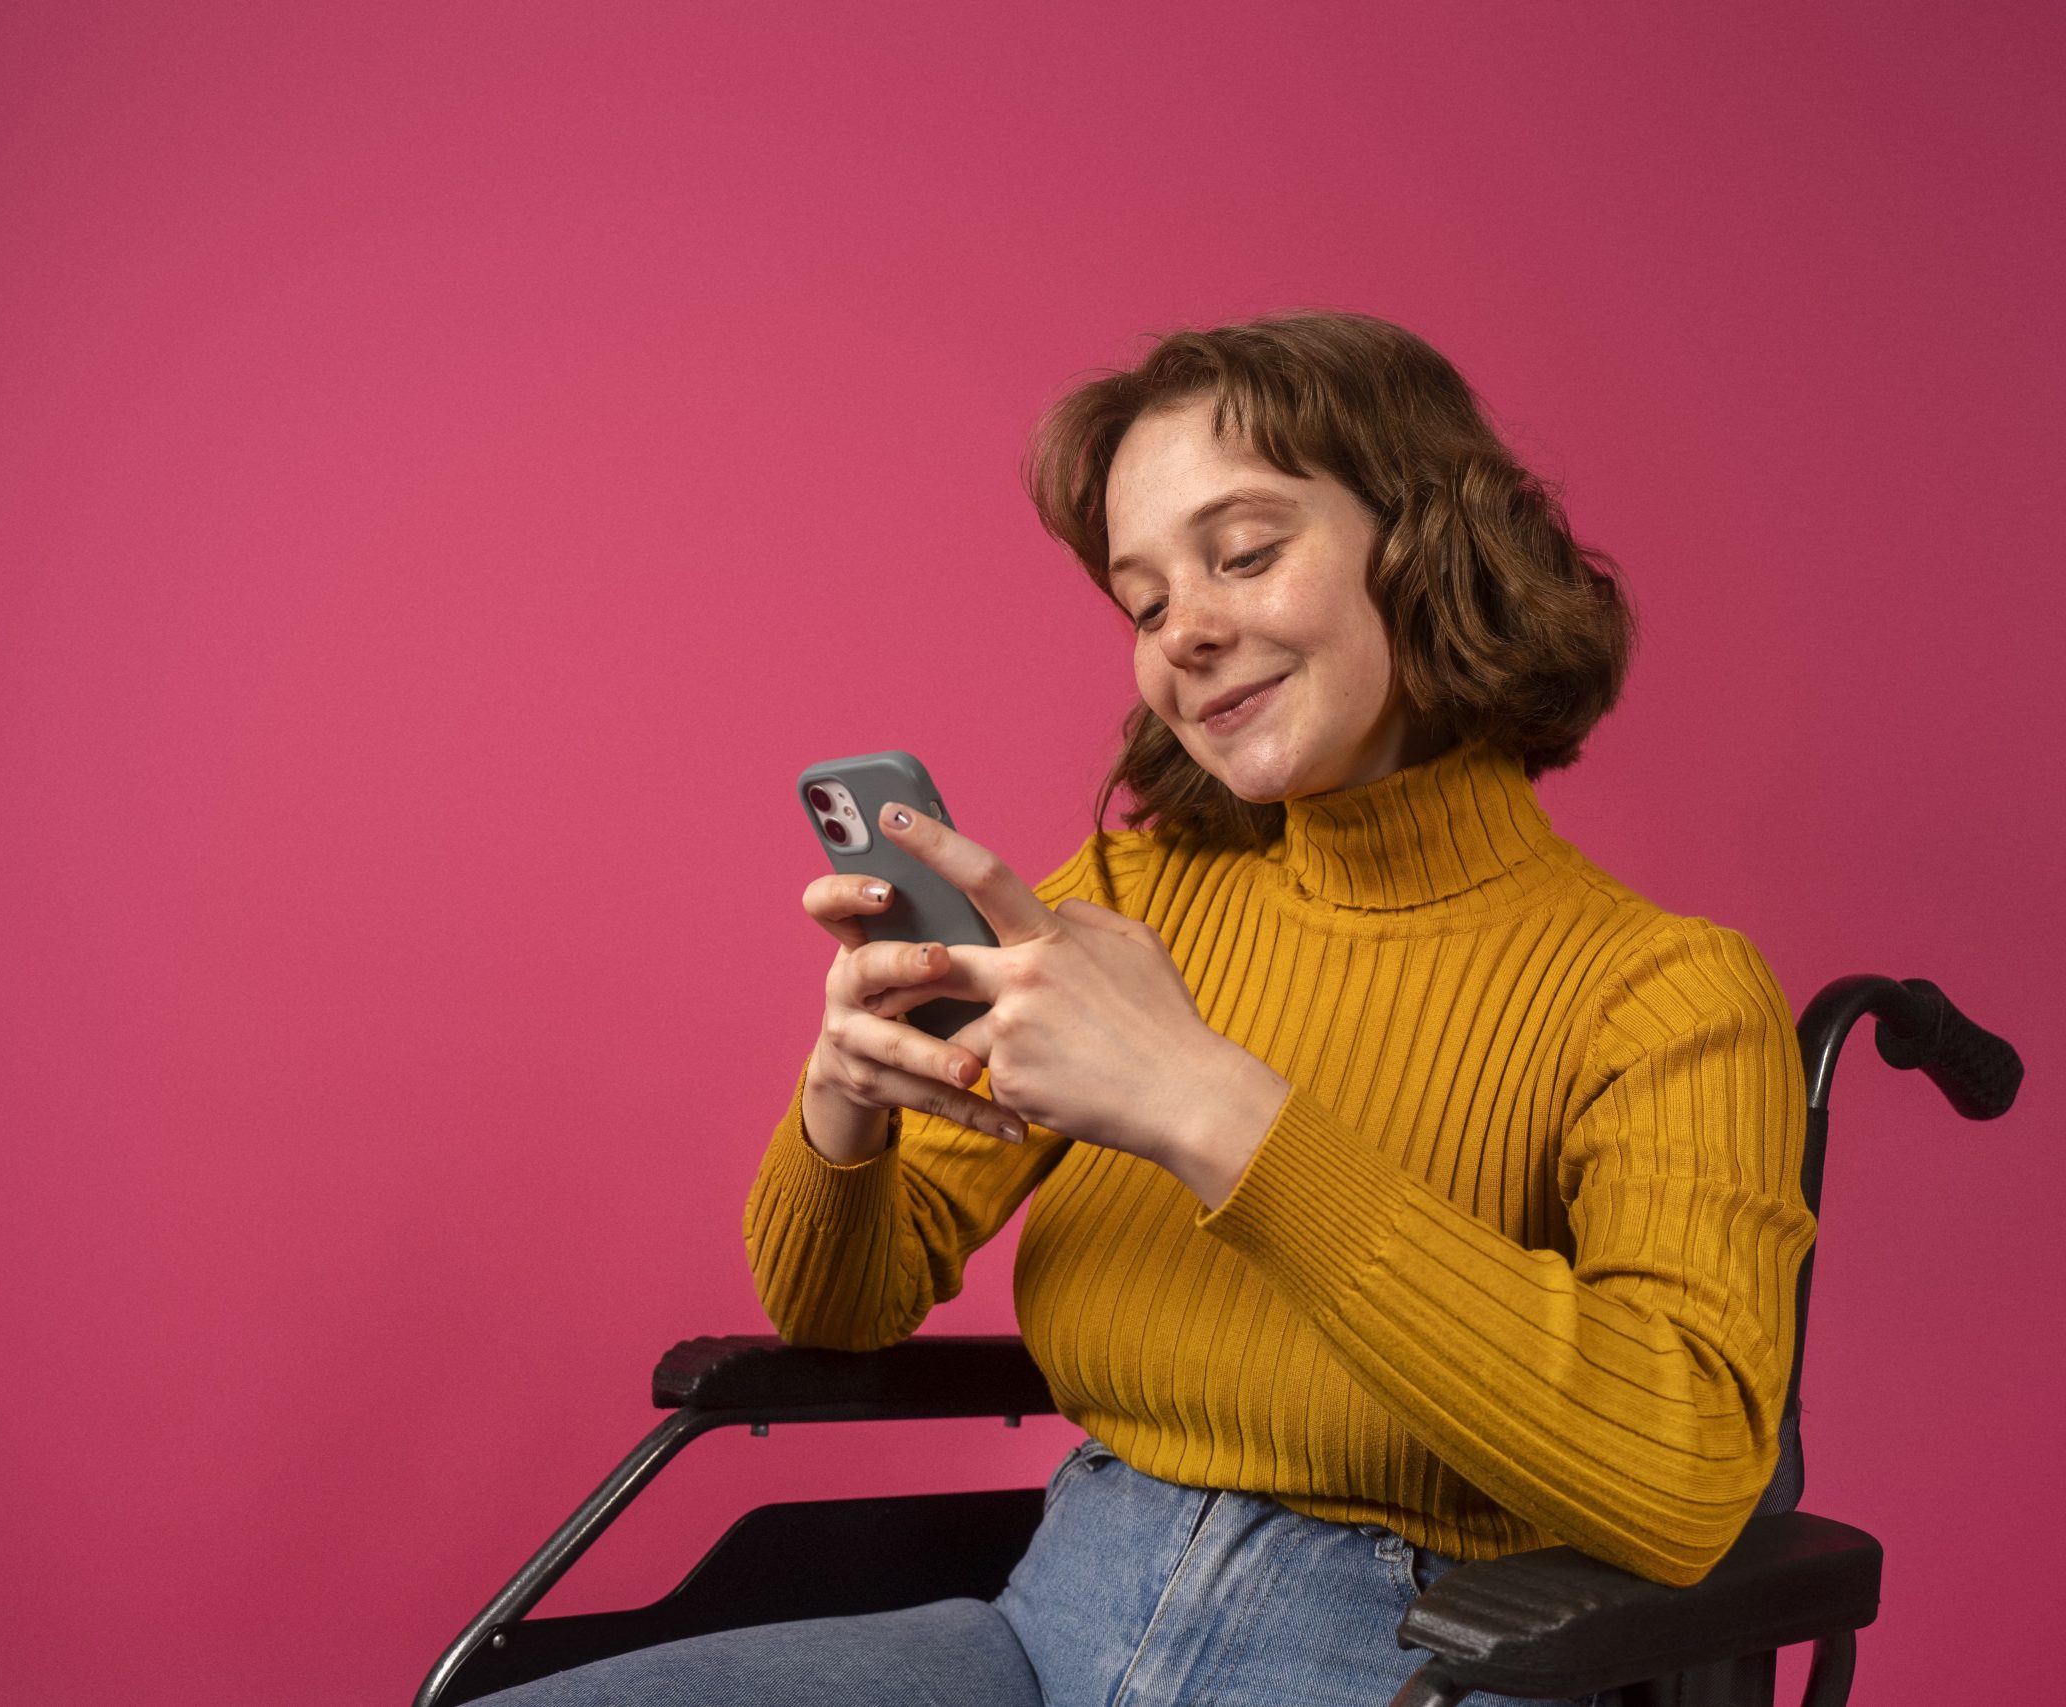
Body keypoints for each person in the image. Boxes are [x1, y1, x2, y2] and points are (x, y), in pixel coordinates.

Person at [482, 311, 1815, 1706]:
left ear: (1431, 551)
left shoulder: (1663, 993)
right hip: (1049, 1626)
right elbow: (841, 1307)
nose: (1188, 631)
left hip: (1408, 1659)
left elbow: (1686, 1481)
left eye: (1243, 553)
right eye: (1145, 601)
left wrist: (1216, 1112)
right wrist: (846, 1113)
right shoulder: (1131, 902)